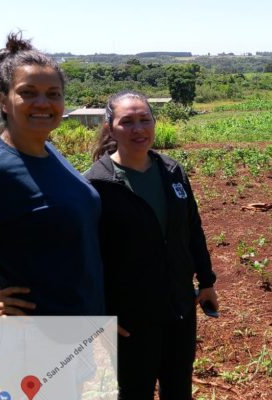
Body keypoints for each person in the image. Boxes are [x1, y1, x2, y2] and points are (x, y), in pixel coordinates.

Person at [0, 33, 105, 317]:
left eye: (53, 94)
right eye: (28, 92)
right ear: (3, 100)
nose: (43, 102)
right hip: (29, 345)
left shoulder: (47, 150)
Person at [85, 90, 218, 399]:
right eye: (127, 122)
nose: (138, 130)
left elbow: (192, 228)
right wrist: (99, 311)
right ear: (110, 128)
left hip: (180, 306)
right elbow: (88, 257)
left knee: (178, 386)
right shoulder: (96, 184)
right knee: (135, 391)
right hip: (130, 316)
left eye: (145, 120)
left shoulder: (172, 170)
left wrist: (207, 281)